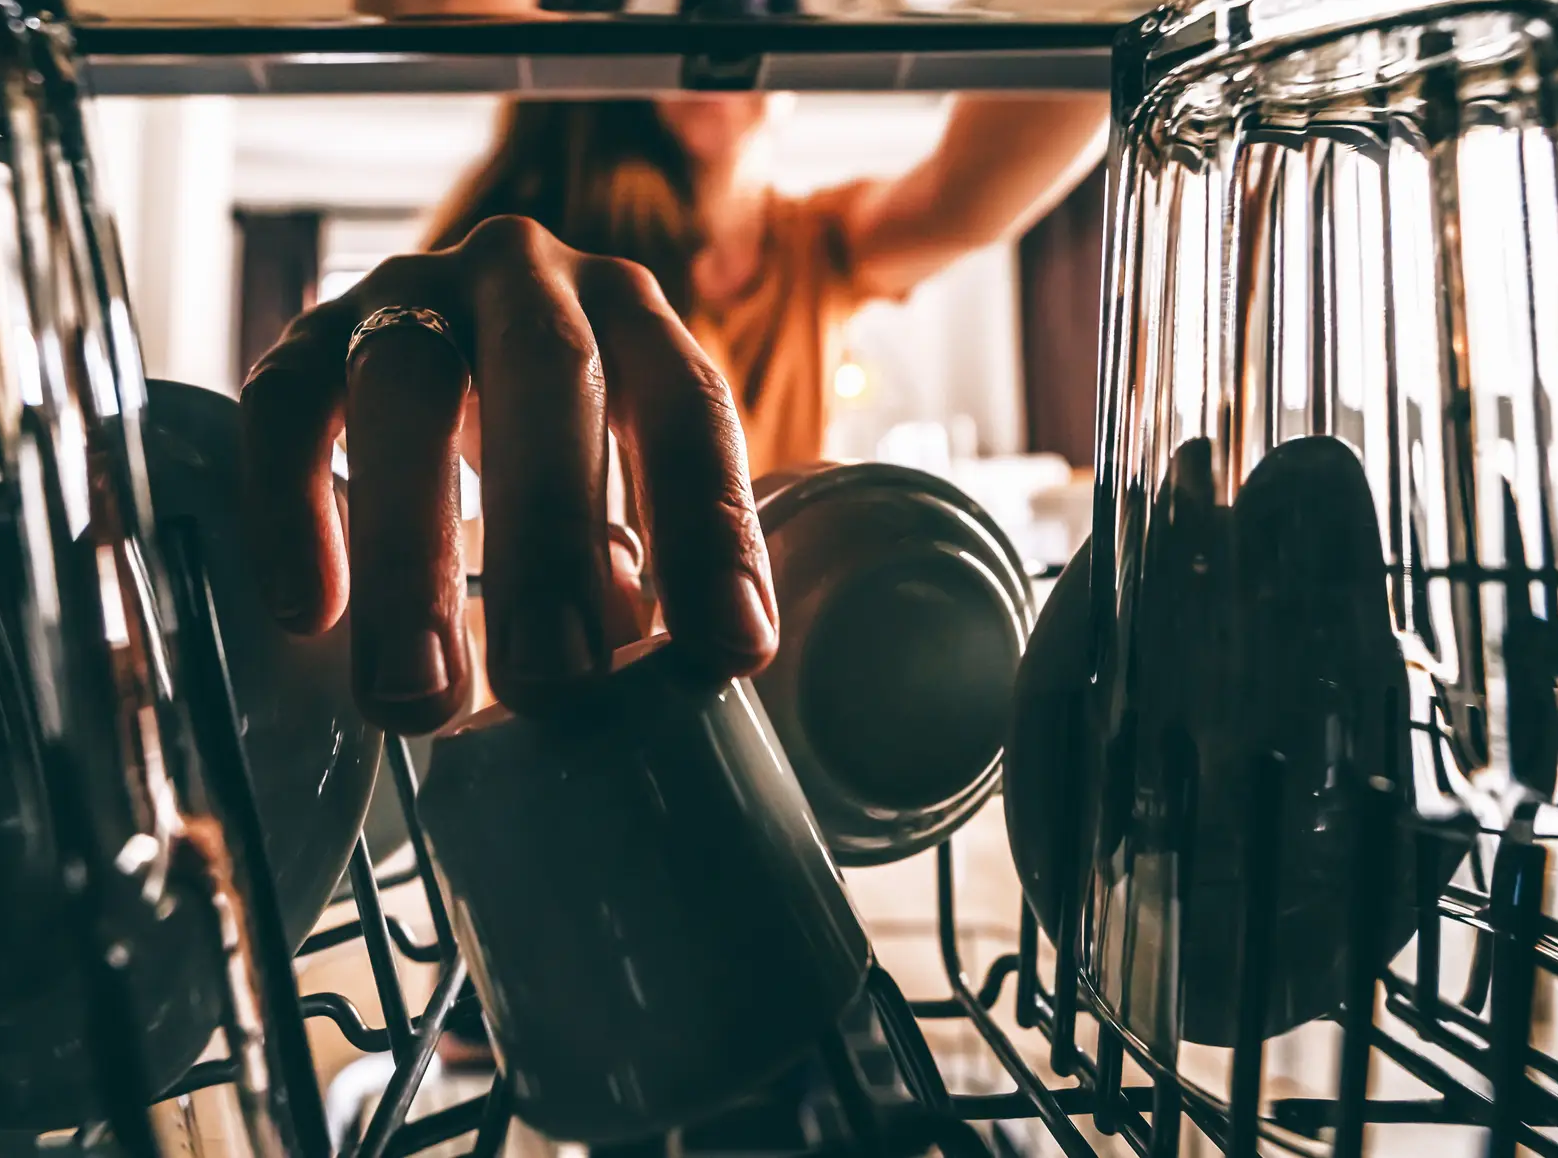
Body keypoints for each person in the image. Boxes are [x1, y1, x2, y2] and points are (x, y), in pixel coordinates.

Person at [241, 92, 1106, 734]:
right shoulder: (510, 250)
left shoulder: (814, 246)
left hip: (770, 702)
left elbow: (972, 193)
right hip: (568, 693)